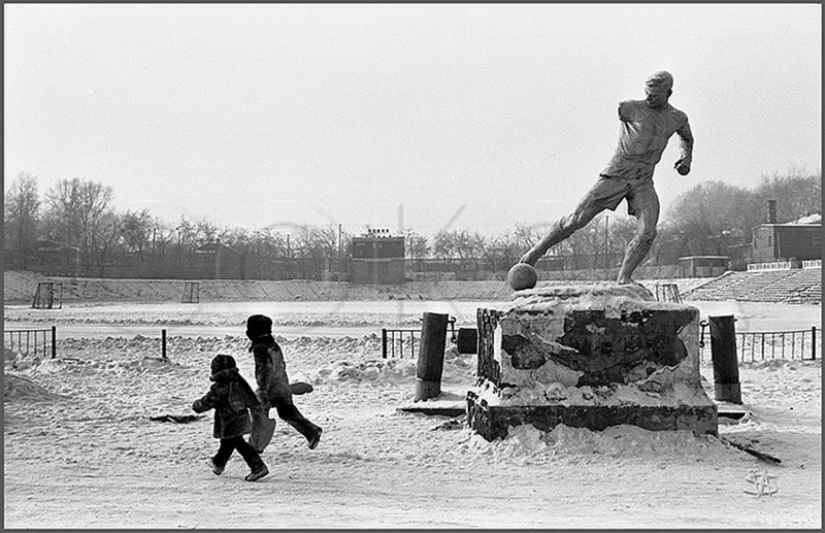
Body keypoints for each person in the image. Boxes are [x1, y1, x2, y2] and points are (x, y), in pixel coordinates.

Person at [519, 70, 694, 285]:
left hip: (643, 180)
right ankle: (532, 255)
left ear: (669, 92)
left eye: (655, 95)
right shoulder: (630, 108)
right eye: (647, 92)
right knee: (577, 219)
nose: (649, 97)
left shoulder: (677, 117)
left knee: (648, 231)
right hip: (616, 175)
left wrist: (686, 159)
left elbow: (687, 138)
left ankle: (624, 277)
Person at [246, 314, 322, 452]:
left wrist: (263, 388)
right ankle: (311, 432)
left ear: (252, 332)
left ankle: (255, 445)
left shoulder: (260, 348)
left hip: (270, 387)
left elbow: (265, 369)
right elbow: (281, 364)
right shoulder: (273, 345)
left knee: (260, 414)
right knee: (287, 412)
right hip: (281, 383)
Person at [192, 354, 269, 482]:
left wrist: (197, 405)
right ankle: (218, 464)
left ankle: (258, 467)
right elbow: (249, 395)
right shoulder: (238, 380)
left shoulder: (219, 387)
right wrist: (256, 407)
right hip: (241, 418)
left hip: (228, 420)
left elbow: (209, 401)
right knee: (228, 442)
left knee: (238, 443)